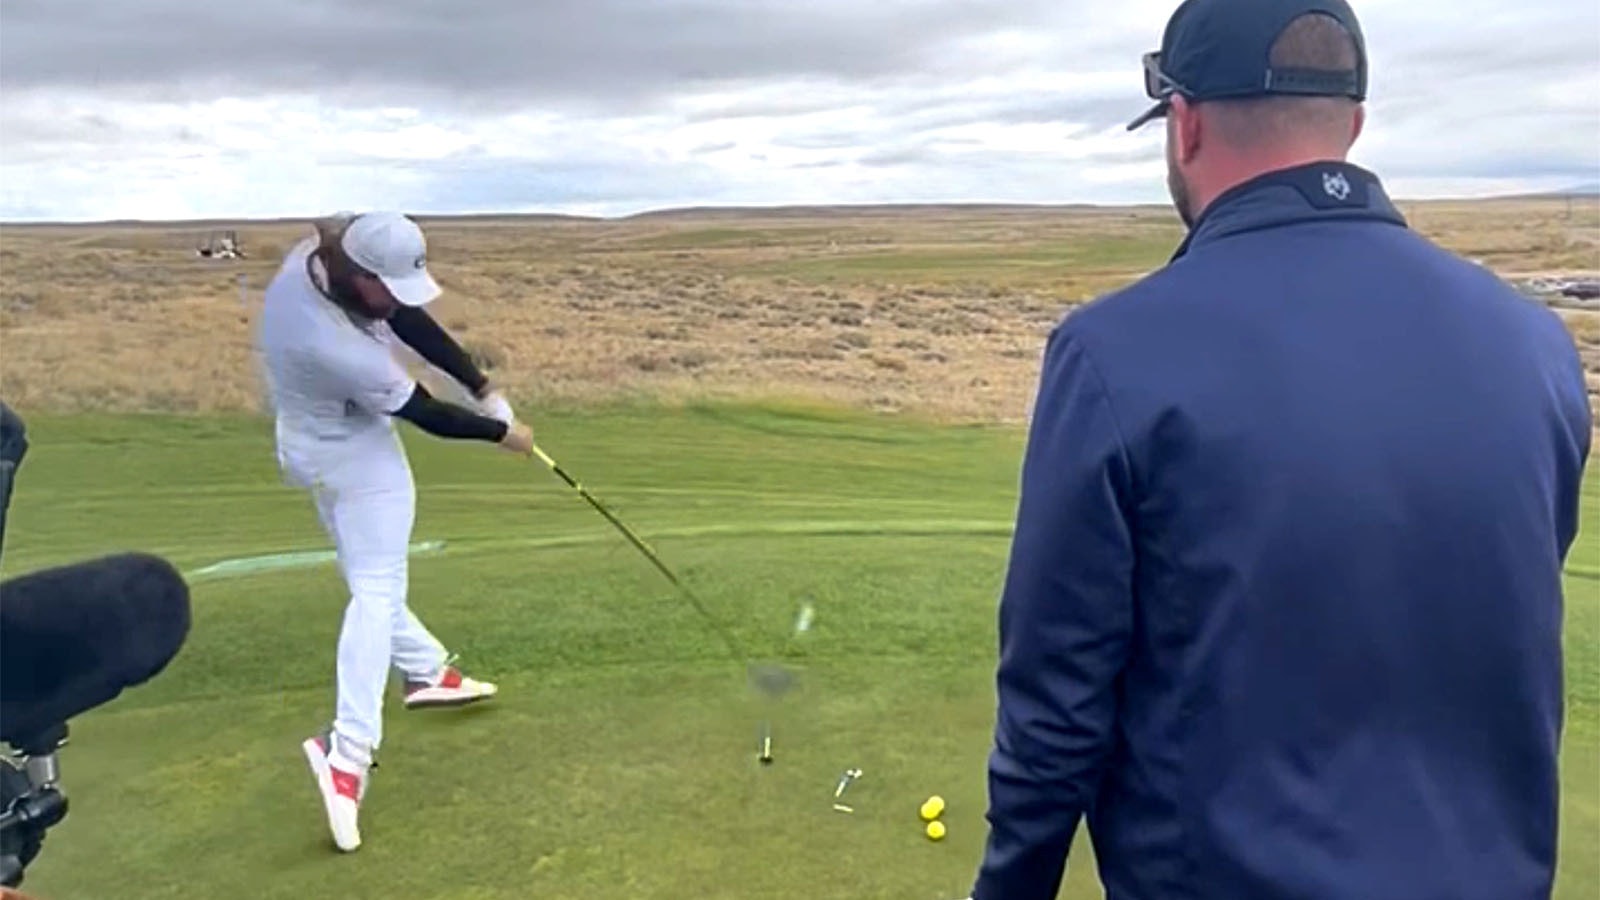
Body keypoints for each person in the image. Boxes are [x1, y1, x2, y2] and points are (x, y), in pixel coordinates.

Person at [964, 1, 1592, 898]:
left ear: (1183, 126)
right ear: (1355, 124)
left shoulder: (1114, 353)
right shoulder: (1536, 346)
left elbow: (1055, 711)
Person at [255, 210, 536, 853]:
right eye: (386, 286)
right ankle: (346, 752)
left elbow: (404, 316)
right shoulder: (337, 346)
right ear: (359, 277)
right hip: (356, 457)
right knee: (377, 587)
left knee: (366, 572)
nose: (394, 298)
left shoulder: (323, 260)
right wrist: (503, 433)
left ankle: (425, 670)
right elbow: (428, 416)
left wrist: (481, 385)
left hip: (306, 446)